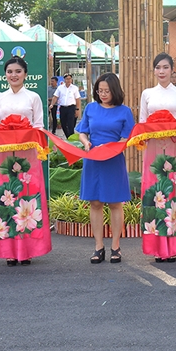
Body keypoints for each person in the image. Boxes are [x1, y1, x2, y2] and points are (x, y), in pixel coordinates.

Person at [0, 56, 50, 266]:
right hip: (5, 156)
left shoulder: (33, 97)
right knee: (7, 197)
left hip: (28, 156)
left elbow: (39, 125)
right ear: (5, 74)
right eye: (9, 71)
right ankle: (8, 248)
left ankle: (28, 249)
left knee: (26, 197)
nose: (13, 75)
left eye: (18, 71)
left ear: (25, 74)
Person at [138, 53, 176, 262]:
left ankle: (173, 246)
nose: (161, 71)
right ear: (154, 70)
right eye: (158, 67)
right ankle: (156, 245)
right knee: (155, 194)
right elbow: (142, 122)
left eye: (165, 68)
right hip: (152, 149)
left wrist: (173, 132)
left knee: (173, 193)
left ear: (172, 70)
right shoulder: (147, 94)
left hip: (174, 147)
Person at [76, 73, 134, 264]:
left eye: (107, 91)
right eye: (100, 91)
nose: (103, 94)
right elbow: (82, 132)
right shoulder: (91, 108)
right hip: (93, 158)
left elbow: (127, 138)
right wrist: (86, 143)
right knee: (95, 203)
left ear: (115, 90)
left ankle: (115, 246)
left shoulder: (124, 111)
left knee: (115, 203)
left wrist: (112, 148)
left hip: (113, 159)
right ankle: (98, 246)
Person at [51, 74, 81, 138]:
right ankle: (68, 136)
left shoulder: (74, 88)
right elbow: (55, 97)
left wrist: (77, 109)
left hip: (71, 107)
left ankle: (72, 138)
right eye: (67, 79)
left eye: (70, 79)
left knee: (70, 124)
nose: (69, 80)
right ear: (64, 80)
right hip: (63, 107)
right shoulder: (60, 88)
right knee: (63, 124)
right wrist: (52, 104)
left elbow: (77, 99)